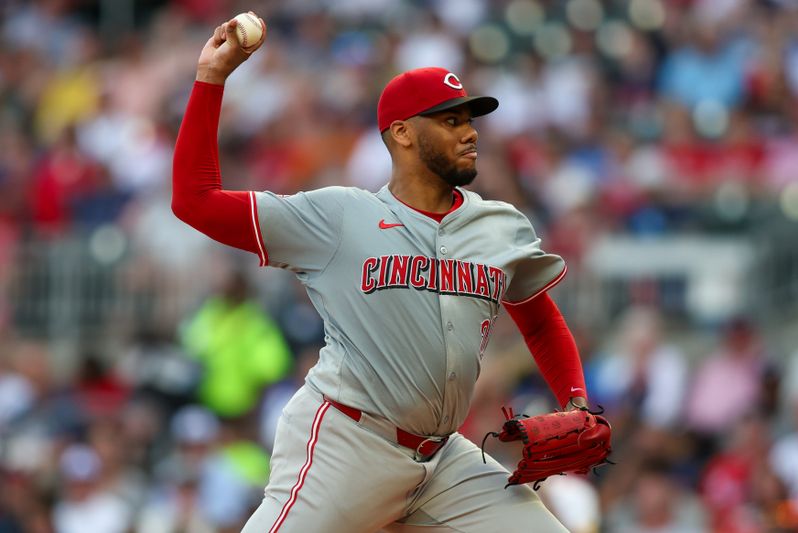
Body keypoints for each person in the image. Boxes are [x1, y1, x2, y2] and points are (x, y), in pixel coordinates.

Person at [173, 15, 593, 533]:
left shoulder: (498, 225)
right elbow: (196, 201)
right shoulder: (338, 217)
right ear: (402, 134)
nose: (470, 133)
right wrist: (211, 78)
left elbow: (540, 322)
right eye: (451, 121)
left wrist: (576, 400)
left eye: (470, 120)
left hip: (444, 459)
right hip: (349, 445)